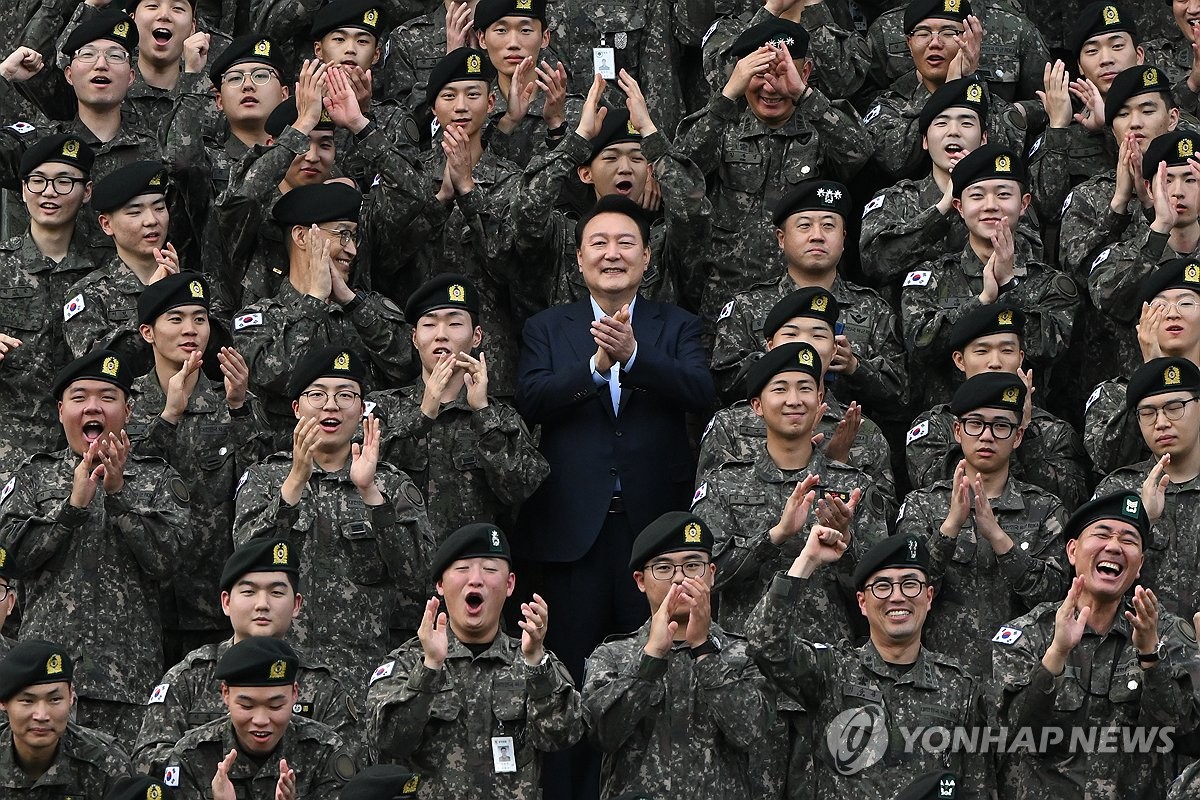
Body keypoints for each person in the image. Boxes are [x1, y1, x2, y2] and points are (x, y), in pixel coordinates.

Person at [515, 194, 717, 682]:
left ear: (646, 257)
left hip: (654, 539)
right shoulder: (546, 327)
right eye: (599, 243)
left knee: (654, 675)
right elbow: (530, 400)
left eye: (626, 243)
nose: (612, 254)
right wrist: (594, 369)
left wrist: (633, 357)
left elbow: (701, 392)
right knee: (569, 677)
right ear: (579, 258)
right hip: (571, 536)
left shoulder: (677, 324)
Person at [0, 350, 188, 743]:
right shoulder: (33, 476)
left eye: (107, 397)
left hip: (131, 683)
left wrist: (118, 495)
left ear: (128, 410)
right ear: (60, 410)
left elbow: (167, 562)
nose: (93, 407)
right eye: (80, 396)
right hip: (46, 688)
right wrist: (72, 508)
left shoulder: (157, 479)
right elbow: (13, 558)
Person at [233, 344, 433, 693]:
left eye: (345, 395)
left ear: (361, 408)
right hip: (276, 674)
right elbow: (248, 561)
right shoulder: (265, 479)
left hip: (360, 676)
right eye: (317, 394)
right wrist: (295, 480)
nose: (331, 406)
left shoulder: (391, 483)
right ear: (296, 408)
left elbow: (418, 575)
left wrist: (371, 494)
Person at [746, 532, 988, 796]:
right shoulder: (834, 671)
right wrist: (807, 560)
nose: (897, 597)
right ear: (862, 602)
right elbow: (764, 642)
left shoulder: (959, 688)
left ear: (929, 597)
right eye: (883, 586)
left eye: (910, 584)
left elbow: (977, 786)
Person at [993, 492, 1200, 798]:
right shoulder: (1027, 633)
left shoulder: (1166, 633)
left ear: (1140, 563)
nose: (1114, 546)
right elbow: (1017, 734)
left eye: (1129, 540)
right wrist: (1056, 654)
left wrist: (1150, 657)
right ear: (1073, 551)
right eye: (1102, 534)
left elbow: (1183, 733)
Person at [673, 18, 873, 322]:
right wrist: (727, 95)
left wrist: (804, 95)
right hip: (727, 302)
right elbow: (681, 171)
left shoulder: (823, 121)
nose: (771, 87)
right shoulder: (722, 123)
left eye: (782, 73)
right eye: (760, 73)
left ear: (804, 72)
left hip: (804, 307)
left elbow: (859, 152)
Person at [365, 523, 584, 798]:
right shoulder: (408, 663)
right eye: (462, 569)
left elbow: (563, 735)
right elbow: (387, 742)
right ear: (441, 585)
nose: (476, 579)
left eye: (490, 569)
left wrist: (536, 663)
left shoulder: (534, 661)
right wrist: (430, 668)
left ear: (509, 584)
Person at [693, 341, 891, 634]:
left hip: (829, 655)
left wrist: (845, 542)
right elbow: (704, 577)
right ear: (757, 406)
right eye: (780, 389)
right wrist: (774, 536)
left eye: (805, 388)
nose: (794, 400)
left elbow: (881, 590)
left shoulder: (854, 485)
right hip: (743, 657)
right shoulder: (723, 484)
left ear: (820, 398)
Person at [129, 271, 272, 663]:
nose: (190, 329)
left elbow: (261, 485)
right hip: (140, 600)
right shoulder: (123, 402)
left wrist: (241, 408)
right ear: (148, 332)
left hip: (212, 598)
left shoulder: (232, 397)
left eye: (200, 318)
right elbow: (125, 480)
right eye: (175, 319)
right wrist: (169, 414)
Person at [133, 537, 358, 775]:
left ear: (296, 605)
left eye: (277, 592)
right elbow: (148, 767)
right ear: (226, 602)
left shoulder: (324, 688)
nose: (262, 604)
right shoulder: (188, 680)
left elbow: (346, 769)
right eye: (249, 592)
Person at [581, 512, 768, 797]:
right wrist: (651, 657)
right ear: (640, 580)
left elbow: (752, 735)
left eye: (692, 565)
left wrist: (705, 650)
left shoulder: (743, 654)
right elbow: (601, 734)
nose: (679, 578)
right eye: (664, 568)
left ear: (712, 574)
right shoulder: (612, 656)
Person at [898, 371, 1069, 679]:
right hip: (939, 680)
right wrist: (950, 527)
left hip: (1020, 675)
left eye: (1001, 426)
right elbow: (906, 591)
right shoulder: (922, 505)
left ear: (1017, 437)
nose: (987, 436)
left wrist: (1000, 539)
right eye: (975, 424)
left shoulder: (1045, 509)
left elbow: (1056, 599)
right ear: (958, 431)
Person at [368, 274, 548, 542]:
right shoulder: (383, 408)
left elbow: (520, 490)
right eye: (429, 324)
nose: (441, 335)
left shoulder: (500, 416)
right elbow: (360, 478)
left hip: (470, 571)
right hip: (400, 569)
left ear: (476, 336)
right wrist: (423, 415)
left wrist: (483, 413)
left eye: (454, 323)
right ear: (415, 338)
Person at [900, 143, 1078, 411]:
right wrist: (982, 301)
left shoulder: (1050, 284)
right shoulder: (930, 278)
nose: (991, 206)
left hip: (1021, 425)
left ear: (1024, 204)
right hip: (949, 427)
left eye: (1004, 194)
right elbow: (921, 347)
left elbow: (1047, 349)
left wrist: (1009, 285)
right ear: (959, 206)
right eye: (977, 196)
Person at [512, 72, 709, 312]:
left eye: (637, 158)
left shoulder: (664, 242)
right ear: (586, 174)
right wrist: (578, 140)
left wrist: (649, 130)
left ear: (649, 171)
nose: (625, 168)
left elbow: (693, 211)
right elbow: (527, 211)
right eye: (611, 158)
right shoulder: (562, 238)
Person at [710, 178, 906, 418]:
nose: (817, 236)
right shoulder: (746, 307)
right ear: (781, 238)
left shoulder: (874, 310)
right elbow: (724, 382)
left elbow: (901, 394)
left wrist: (854, 367)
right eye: (804, 226)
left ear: (844, 238)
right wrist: (781, 358)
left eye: (828, 226)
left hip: (855, 444)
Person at [232, 181, 413, 440]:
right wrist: (315, 299)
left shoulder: (364, 307)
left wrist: (351, 302)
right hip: (287, 466)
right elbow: (280, 376)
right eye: (343, 234)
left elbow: (406, 364)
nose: (352, 249)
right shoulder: (258, 320)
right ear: (302, 236)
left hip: (362, 460)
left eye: (354, 236)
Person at [700, 287, 897, 505]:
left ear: (834, 350)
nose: (805, 344)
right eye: (791, 334)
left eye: (818, 335)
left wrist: (840, 464)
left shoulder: (863, 430)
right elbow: (711, 514)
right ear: (770, 346)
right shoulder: (730, 426)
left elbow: (882, 520)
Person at [860, 76, 1043, 291]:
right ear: (925, 141)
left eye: (966, 123)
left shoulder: (1005, 201)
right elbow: (875, 265)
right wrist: (942, 209)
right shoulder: (897, 201)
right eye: (941, 123)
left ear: (984, 138)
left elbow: (1031, 260)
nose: (954, 131)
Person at [904, 303, 1090, 510]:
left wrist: (1025, 432)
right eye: (982, 351)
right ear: (959, 360)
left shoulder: (1054, 432)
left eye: (1006, 350)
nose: (995, 362)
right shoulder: (934, 427)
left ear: (1020, 358)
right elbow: (933, 494)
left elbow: (1066, 502)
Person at [0, 133, 102, 481]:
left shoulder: (108, 266)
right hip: (12, 455)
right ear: (24, 189)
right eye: (38, 181)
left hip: (94, 451)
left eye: (64, 181)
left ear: (86, 191)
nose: (49, 193)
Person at [161, 637, 357, 799]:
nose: (261, 720)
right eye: (247, 705)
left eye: (275, 706)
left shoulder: (324, 751)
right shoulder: (191, 755)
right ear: (226, 694)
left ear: (295, 693)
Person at [863, 0, 1029, 179]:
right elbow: (894, 160)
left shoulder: (995, 107)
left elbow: (1000, 155)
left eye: (949, 33)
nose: (935, 43)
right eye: (923, 33)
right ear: (909, 43)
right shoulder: (888, 106)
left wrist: (965, 82)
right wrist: (947, 92)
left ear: (968, 40)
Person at [1094, 357, 1200, 621]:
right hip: (1136, 652)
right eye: (1148, 412)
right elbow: (1093, 583)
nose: (1161, 422)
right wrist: (1143, 522)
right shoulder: (1118, 491)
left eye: (1174, 408)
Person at [1084, 258, 1200, 474]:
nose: (1173, 313)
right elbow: (1108, 457)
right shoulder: (1113, 395)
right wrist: (1154, 372)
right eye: (1160, 306)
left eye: (1186, 303)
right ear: (1143, 320)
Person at [61, 160, 177, 372]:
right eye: (135, 212)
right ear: (106, 224)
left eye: (159, 208)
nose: (151, 220)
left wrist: (178, 293)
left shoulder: (196, 284)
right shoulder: (89, 294)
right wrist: (153, 301)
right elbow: (95, 365)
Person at [0, 641, 133, 796]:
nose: (42, 715)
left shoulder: (107, 763)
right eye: (27, 701)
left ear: (70, 696)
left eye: (54, 699)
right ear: (3, 701)